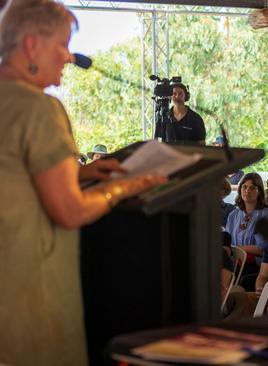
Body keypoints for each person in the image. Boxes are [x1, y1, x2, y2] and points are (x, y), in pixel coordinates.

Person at [0, 1, 166, 364]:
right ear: (30, 45)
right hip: (30, 291)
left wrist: (78, 172)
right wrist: (123, 187)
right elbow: (70, 210)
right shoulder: (39, 108)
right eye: (61, 44)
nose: (70, 57)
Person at [225, 172, 268, 288]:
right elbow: (228, 242)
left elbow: (263, 249)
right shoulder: (234, 215)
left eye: (252, 188)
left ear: (259, 192)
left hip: (259, 266)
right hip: (235, 262)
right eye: (244, 187)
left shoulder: (265, 215)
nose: (247, 191)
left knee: (238, 279)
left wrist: (238, 249)